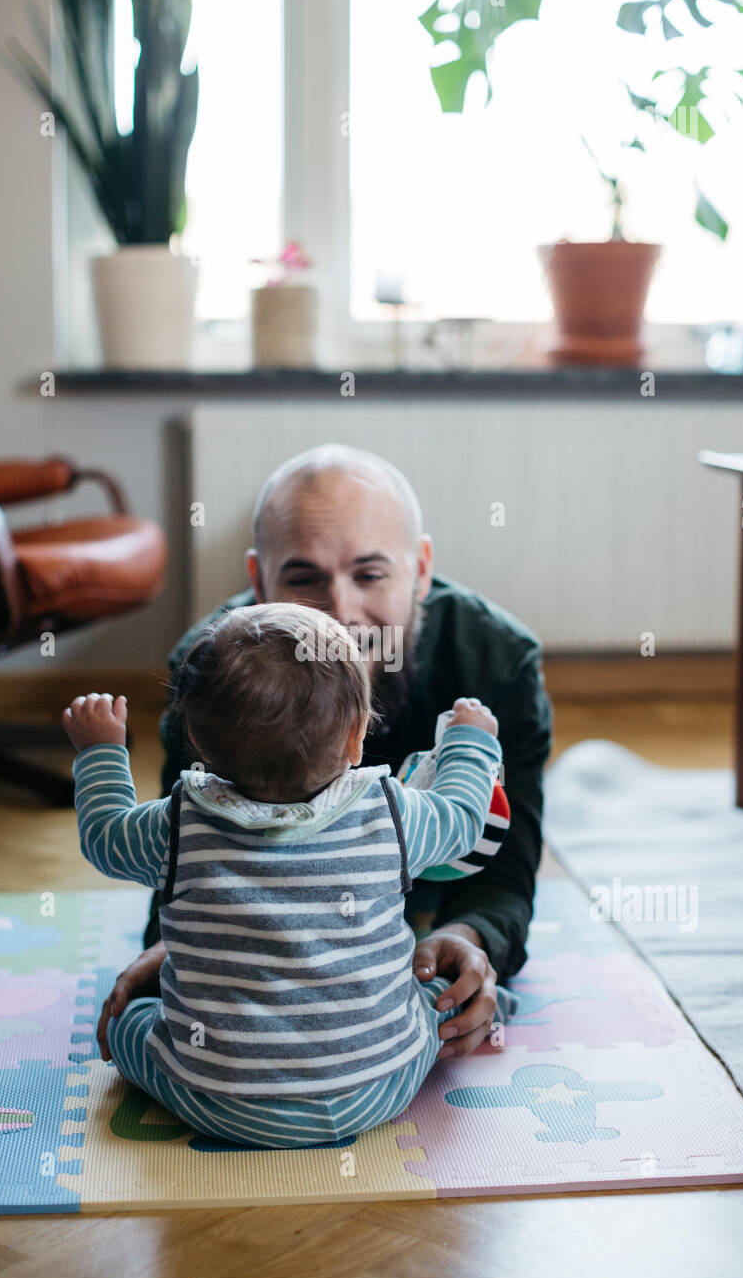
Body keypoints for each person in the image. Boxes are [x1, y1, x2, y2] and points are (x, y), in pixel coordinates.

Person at [105, 443, 552, 1061]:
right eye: (304, 579)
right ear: (258, 581)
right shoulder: (207, 678)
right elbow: (192, 849)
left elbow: (506, 863)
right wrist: (171, 948)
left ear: (420, 569)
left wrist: (466, 935)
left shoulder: (498, 664)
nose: (340, 616)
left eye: (369, 575)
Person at [62, 606, 514, 1148]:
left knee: (128, 1021)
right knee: (424, 1000)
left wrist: (100, 753)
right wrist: (471, 742)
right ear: (355, 737)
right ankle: (488, 1002)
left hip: (221, 1101)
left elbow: (104, 838)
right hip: (379, 1087)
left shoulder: (178, 824)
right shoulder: (392, 813)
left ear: (197, 741)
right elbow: (465, 817)